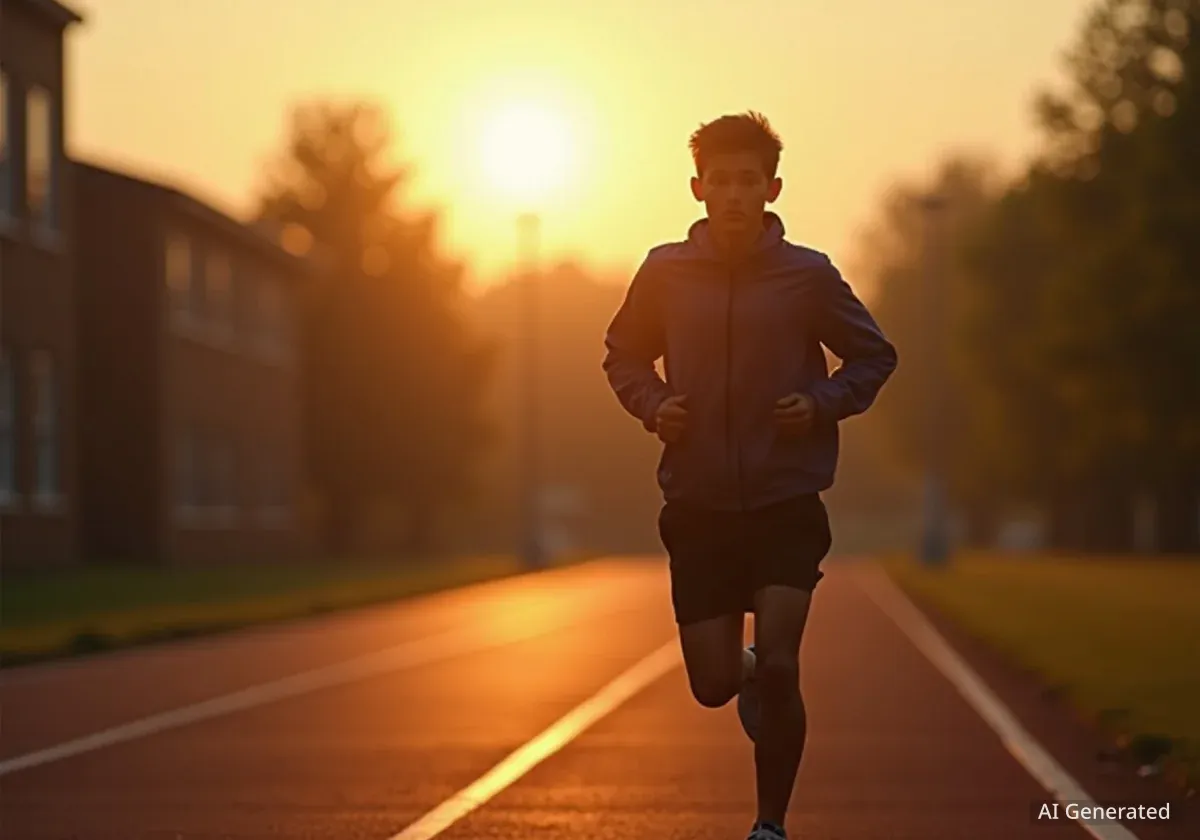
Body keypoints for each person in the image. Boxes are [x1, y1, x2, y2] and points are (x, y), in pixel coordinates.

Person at [601, 111, 897, 840]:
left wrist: (821, 403)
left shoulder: (808, 276)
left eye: (749, 181)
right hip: (698, 505)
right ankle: (749, 665)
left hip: (784, 499)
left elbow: (873, 357)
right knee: (713, 685)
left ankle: (770, 824)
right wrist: (655, 405)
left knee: (787, 663)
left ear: (772, 188)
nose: (735, 194)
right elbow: (623, 356)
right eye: (722, 181)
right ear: (698, 188)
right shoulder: (664, 272)